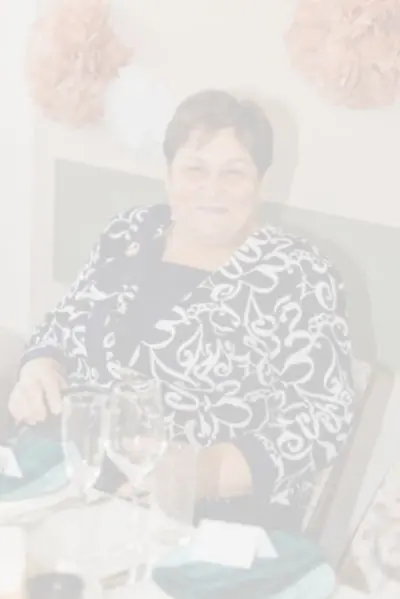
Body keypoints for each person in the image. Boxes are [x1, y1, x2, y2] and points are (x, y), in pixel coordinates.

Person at [8, 89, 355, 531]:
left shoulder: (300, 274)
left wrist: (200, 473)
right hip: (72, 478)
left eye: (233, 172)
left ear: (261, 183)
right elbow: (64, 322)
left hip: (198, 516)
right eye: (195, 169)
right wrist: (40, 364)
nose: (212, 189)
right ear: (169, 175)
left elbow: (322, 416)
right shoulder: (130, 231)